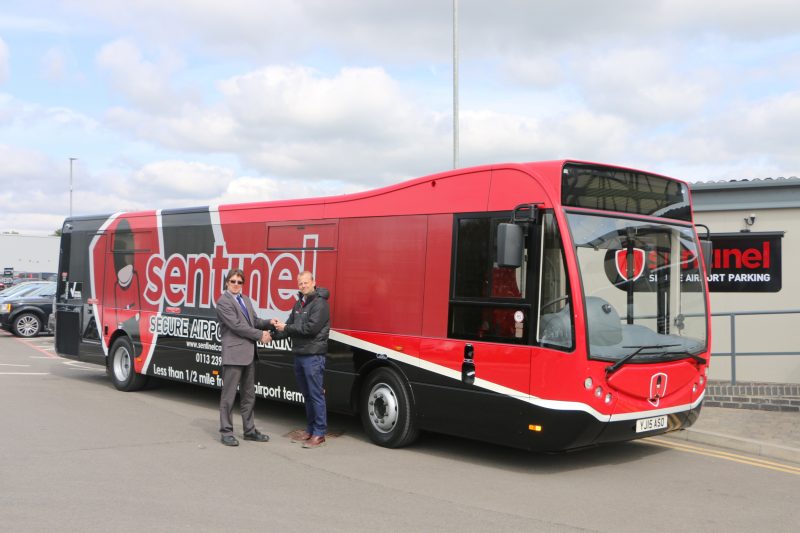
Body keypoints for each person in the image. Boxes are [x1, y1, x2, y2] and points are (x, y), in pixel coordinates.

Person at [270, 271, 330, 449]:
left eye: (306, 282)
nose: (303, 286)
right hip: (299, 354)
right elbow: (287, 328)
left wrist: (287, 327)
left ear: (314, 282)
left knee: (316, 395)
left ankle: (319, 433)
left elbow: (310, 329)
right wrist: (270, 336)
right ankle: (310, 429)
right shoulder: (299, 303)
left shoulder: (320, 304)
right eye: (300, 283)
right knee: (307, 395)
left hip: (313, 355)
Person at [216, 269, 273, 446]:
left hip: (249, 354)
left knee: (249, 395)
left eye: (239, 282)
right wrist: (260, 335)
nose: (236, 285)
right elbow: (237, 326)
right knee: (229, 396)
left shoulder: (245, 299)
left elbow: (254, 321)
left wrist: (270, 322)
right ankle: (226, 432)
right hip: (233, 354)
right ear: (227, 282)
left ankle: (249, 431)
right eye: (233, 281)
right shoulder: (223, 302)